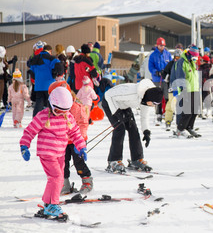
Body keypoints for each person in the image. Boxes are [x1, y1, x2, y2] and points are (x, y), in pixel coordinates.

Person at [19, 87, 87, 219]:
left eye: (64, 111)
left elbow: (75, 133)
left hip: (60, 153)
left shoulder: (68, 117)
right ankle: (52, 205)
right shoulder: (43, 116)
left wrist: (81, 146)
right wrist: (24, 146)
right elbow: (30, 131)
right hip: (47, 153)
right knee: (56, 178)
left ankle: (48, 204)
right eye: (58, 111)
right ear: (51, 104)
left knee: (57, 179)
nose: (61, 113)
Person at [102, 78, 163, 173]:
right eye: (154, 103)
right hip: (110, 102)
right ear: (150, 99)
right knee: (120, 128)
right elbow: (108, 95)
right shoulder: (132, 93)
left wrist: (146, 131)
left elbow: (144, 116)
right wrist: (117, 113)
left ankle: (136, 159)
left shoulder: (146, 98)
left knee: (133, 129)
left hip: (124, 105)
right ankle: (113, 161)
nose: (154, 106)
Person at [171, 45, 202, 138]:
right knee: (187, 111)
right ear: (189, 54)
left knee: (195, 111)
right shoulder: (181, 62)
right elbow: (180, 77)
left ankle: (189, 127)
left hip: (195, 89)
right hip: (186, 90)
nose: (195, 58)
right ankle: (180, 129)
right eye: (193, 56)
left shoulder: (192, 62)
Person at [28, 44, 64, 116]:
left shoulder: (35, 59)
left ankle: (35, 119)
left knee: (38, 104)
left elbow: (31, 71)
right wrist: (58, 74)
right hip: (49, 85)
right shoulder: (51, 58)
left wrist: (36, 79)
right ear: (50, 51)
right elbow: (59, 65)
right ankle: (50, 119)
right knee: (50, 104)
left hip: (38, 86)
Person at [148, 37, 172, 125]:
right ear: (157, 45)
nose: (161, 47)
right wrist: (156, 72)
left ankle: (166, 112)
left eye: (163, 45)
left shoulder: (168, 54)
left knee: (166, 96)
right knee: (157, 96)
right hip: (157, 79)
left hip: (165, 79)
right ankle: (158, 113)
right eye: (160, 45)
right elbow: (150, 67)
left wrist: (167, 73)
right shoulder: (153, 55)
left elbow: (170, 64)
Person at [162, 48, 182, 131]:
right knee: (170, 104)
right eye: (175, 57)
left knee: (181, 106)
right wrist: (166, 77)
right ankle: (168, 121)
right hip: (172, 87)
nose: (176, 59)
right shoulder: (171, 64)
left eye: (178, 58)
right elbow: (164, 72)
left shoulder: (183, 64)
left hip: (181, 87)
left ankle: (181, 123)